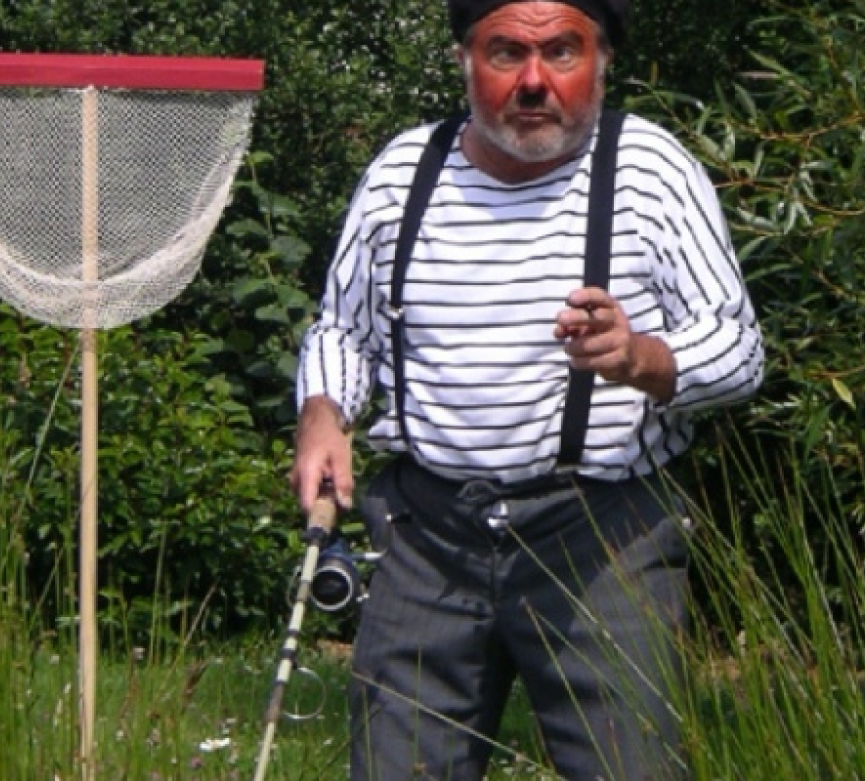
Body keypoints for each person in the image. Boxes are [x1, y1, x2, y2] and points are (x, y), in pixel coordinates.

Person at [290, 0, 763, 777]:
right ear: (463, 60)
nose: (536, 81)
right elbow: (344, 330)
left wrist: (641, 356)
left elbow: (740, 349)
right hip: (427, 535)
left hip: (602, 536)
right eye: (507, 52)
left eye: (563, 53)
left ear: (603, 61)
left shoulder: (651, 170)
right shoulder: (402, 174)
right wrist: (322, 411)